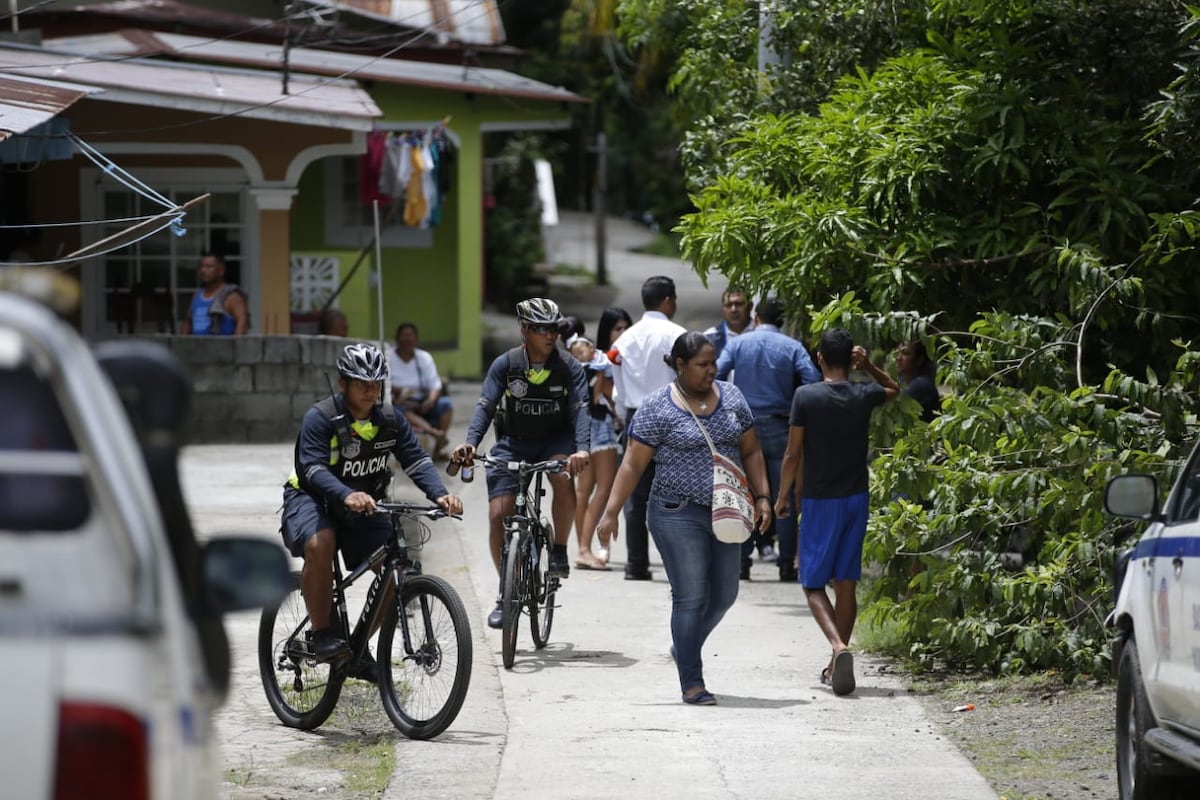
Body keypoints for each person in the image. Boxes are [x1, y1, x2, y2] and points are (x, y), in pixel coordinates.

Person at [597, 332, 772, 705]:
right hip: (675, 511)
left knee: (725, 593)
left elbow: (753, 451)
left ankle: (685, 645)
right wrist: (610, 512)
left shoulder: (733, 399)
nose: (712, 370)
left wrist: (764, 498)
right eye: (703, 365)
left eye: (714, 363)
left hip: (728, 510)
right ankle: (692, 682)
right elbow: (631, 464)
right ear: (680, 366)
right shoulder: (657, 407)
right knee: (690, 596)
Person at [280, 343, 463, 677]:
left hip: (363, 506)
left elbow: (417, 459)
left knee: (397, 568)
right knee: (321, 544)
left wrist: (441, 494)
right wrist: (346, 493)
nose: (370, 390)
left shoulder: (391, 420)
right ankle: (321, 635)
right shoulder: (320, 418)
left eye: (376, 383)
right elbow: (313, 470)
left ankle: (358, 649)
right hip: (310, 499)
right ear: (342, 384)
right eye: (361, 383)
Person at [450, 298, 591, 629]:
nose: (550, 336)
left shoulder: (569, 367)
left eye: (554, 329)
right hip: (513, 443)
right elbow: (485, 404)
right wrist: (470, 443)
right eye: (542, 329)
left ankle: (558, 550)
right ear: (525, 330)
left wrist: (581, 450)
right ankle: (507, 592)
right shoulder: (506, 364)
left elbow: (582, 409)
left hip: (556, 442)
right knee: (498, 514)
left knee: (561, 476)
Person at [775, 329, 899, 696]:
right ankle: (834, 666)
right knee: (846, 584)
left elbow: (792, 454)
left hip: (819, 500)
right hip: (856, 497)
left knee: (812, 583)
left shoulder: (806, 397)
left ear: (819, 359)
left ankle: (838, 647)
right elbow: (894, 389)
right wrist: (871, 366)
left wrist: (782, 496)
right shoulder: (863, 394)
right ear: (851, 360)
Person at [716, 296, 821, 583]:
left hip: (743, 427)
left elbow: (717, 372)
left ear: (756, 318)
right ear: (782, 320)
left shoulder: (738, 344)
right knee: (782, 495)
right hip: (781, 425)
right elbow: (812, 379)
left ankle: (741, 563)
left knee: (745, 493)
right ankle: (787, 564)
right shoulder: (792, 346)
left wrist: (727, 405)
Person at [607, 277, 686, 581]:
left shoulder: (624, 340)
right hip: (671, 415)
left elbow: (617, 380)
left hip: (634, 415)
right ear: (667, 300)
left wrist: (626, 408)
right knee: (676, 492)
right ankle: (677, 563)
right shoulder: (677, 335)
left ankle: (635, 564)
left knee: (635, 493)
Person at [568, 332, 620, 570]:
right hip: (600, 427)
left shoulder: (572, 371)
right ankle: (583, 549)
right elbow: (603, 393)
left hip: (580, 429)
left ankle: (583, 547)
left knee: (583, 491)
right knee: (604, 488)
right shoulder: (599, 369)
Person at [389, 322, 453, 461]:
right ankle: (434, 432)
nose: (407, 339)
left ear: (416, 339)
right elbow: (384, 384)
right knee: (398, 409)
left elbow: (435, 385)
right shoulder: (387, 357)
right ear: (397, 338)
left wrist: (429, 402)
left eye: (410, 336)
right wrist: (400, 393)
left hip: (422, 402)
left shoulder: (424, 358)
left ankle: (437, 450)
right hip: (399, 403)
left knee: (446, 404)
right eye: (404, 335)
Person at [180, 251, 249, 335]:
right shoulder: (197, 295)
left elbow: (242, 324)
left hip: (222, 346)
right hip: (196, 346)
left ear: (221, 270)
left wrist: (236, 347)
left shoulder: (232, 296)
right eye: (201, 267)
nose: (203, 270)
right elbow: (188, 322)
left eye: (209, 267)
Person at [894, 340, 940, 422]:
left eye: (905, 353)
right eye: (897, 352)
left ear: (919, 360)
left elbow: (894, 404)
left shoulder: (921, 385)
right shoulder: (902, 380)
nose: (898, 358)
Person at [703, 286, 752, 358]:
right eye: (729, 305)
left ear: (750, 306)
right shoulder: (709, 338)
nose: (733, 309)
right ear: (723, 308)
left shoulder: (762, 333)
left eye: (738, 304)